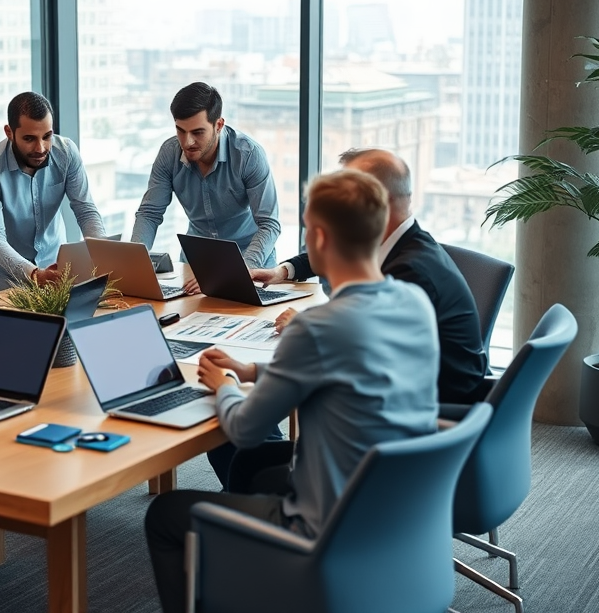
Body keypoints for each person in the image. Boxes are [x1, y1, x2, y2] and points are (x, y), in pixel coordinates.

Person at [143, 169, 440, 613]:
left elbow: (244, 428)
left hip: (325, 529)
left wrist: (224, 386)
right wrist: (250, 370)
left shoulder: (318, 327)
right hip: (396, 517)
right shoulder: (414, 303)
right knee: (257, 471)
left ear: (318, 239)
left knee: (165, 515)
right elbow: (342, 370)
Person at [253, 147, 488, 405]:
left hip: (429, 408)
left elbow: (359, 354)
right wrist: (282, 271)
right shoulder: (404, 242)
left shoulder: (409, 272)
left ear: (376, 201)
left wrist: (308, 327)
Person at [131, 81, 280, 294]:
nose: (187, 141)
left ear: (218, 125)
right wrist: (136, 264)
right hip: (197, 267)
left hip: (250, 263)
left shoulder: (248, 155)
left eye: (198, 132)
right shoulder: (168, 154)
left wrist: (238, 272)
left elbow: (269, 224)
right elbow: (149, 213)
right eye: (180, 131)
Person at [0, 91, 106, 292]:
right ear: (9, 132)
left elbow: (85, 211)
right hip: (2, 284)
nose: (41, 148)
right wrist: (34, 274)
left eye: (47, 136)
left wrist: (104, 256)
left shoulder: (66, 153)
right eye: (29, 138)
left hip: (55, 274)